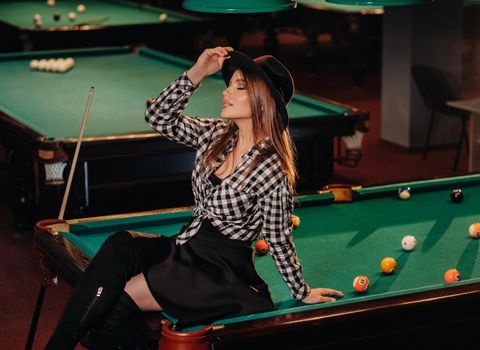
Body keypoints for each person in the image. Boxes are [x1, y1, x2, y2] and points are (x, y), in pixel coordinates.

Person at [45, 46, 343, 350]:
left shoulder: (271, 169)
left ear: (263, 101)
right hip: (188, 244)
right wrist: (197, 72)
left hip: (218, 269)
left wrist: (301, 290)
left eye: (239, 87)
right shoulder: (217, 134)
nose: (226, 93)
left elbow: (279, 238)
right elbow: (158, 117)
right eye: (228, 85)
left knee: (115, 305)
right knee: (121, 244)